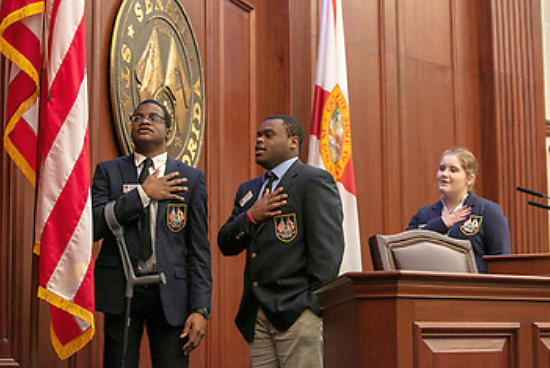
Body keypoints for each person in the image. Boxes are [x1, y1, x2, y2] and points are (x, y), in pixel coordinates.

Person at [92, 99, 212, 368]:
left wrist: (200, 309)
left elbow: (199, 249)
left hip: (171, 294)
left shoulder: (190, 178)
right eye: (137, 117)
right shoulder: (108, 172)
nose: (144, 121)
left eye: (154, 117)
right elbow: (93, 226)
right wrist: (142, 194)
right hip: (121, 291)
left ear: (169, 131)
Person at [218, 115, 344, 368]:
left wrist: (310, 307)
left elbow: (328, 253)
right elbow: (226, 243)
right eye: (258, 135)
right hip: (257, 313)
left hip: (298, 312)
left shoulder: (313, 181)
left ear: (293, 142)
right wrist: (252, 215)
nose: (259, 140)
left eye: (268, 135)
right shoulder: (249, 190)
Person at [407, 147, 511, 273]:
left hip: (473, 289)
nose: (444, 174)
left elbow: (501, 262)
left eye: (453, 170)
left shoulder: (487, 211)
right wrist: (441, 224)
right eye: (442, 168)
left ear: (470, 179)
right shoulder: (424, 214)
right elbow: (405, 250)